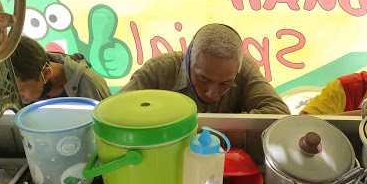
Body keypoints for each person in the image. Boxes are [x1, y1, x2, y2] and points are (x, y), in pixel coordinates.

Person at [122, 23, 290, 114]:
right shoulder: (158, 70)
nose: (211, 92)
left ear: (237, 70)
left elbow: (279, 114)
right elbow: (114, 112)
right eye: (203, 79)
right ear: (188, 59)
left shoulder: (245, 69)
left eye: (225, 84)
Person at [11, 36, 110, 104]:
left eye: (20, 90)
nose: (14, 96)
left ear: (46, 74)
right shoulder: (26, 92)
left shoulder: (90, 84)